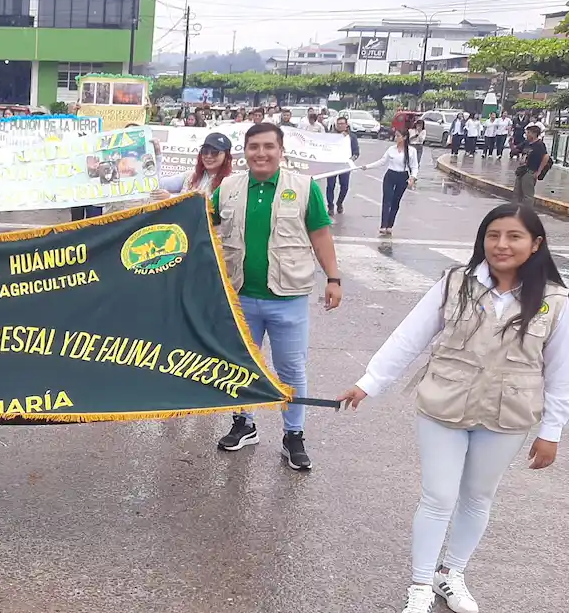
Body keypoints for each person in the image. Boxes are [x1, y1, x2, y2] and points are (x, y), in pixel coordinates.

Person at [338, 203, 567, 613]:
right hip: (444, 406)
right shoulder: (455, 283)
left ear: (536, 245)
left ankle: (452, 573)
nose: (501, 245)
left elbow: (561, 370)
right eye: (493, 235)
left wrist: (552, 431)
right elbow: (409, 337)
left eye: (514, 237)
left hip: (507, 414)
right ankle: (422, 583)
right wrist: (368, 383)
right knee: (438, 497)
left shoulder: (555, 300)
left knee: (478, 497)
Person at [212, 122, 342, 470]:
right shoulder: (228, 188)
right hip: (240, 297)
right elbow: (203, 224)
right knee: (240, 366)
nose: (261, 153)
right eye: (254, 146)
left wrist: (334, 277)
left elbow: (321, 235)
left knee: (290, 370)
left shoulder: (302, 187)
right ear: (245, 151)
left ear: (281, 151)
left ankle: (293, 435)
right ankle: (244, 423)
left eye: (268, 146)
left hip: (288, 298)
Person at [150, 132, 234, 200]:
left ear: (226, 156)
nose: (209, 156)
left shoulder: (230, 182)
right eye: (205, 151)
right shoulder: (189, 176)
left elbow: (208, 206)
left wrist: (170, 198)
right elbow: (158, 184)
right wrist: (157, 155)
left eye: (214, 152)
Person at [366, 129, 418, 236]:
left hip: (403, 176)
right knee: (387, 200)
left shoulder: (411, 151)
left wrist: (413, 177)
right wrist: (367, 167)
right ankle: (383, 225)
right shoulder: (391, 149)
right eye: (395, 135)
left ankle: (390, 225)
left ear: (404, 137)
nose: (396, 138)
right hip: (390, 175)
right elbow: (382, 161)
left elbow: (414, 166)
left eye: (398, 136)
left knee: (395, 201)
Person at [326, 116, 360, 215]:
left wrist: (351, 160)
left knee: (344, 186)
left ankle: (339, 203)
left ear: (346, 125)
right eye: (339, 124)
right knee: (330, 186)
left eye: (342, 124)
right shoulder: (331, 136)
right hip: (332, 164)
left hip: (345, 165)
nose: (340, 126)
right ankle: (330, 206)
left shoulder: (351, 137)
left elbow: (356, 152)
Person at [514, 124, 551, 207]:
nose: (526, 134)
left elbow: (546, 157)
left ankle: (527, 213)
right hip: (521, 170)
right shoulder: (526, 142)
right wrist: (511, 143)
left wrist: (539, 172)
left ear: (534, 134)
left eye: (528, 133)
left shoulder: (539, 145)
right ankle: (516, 210)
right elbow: (516, 149)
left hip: (530, 171)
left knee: (527, 194)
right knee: (517, 192)